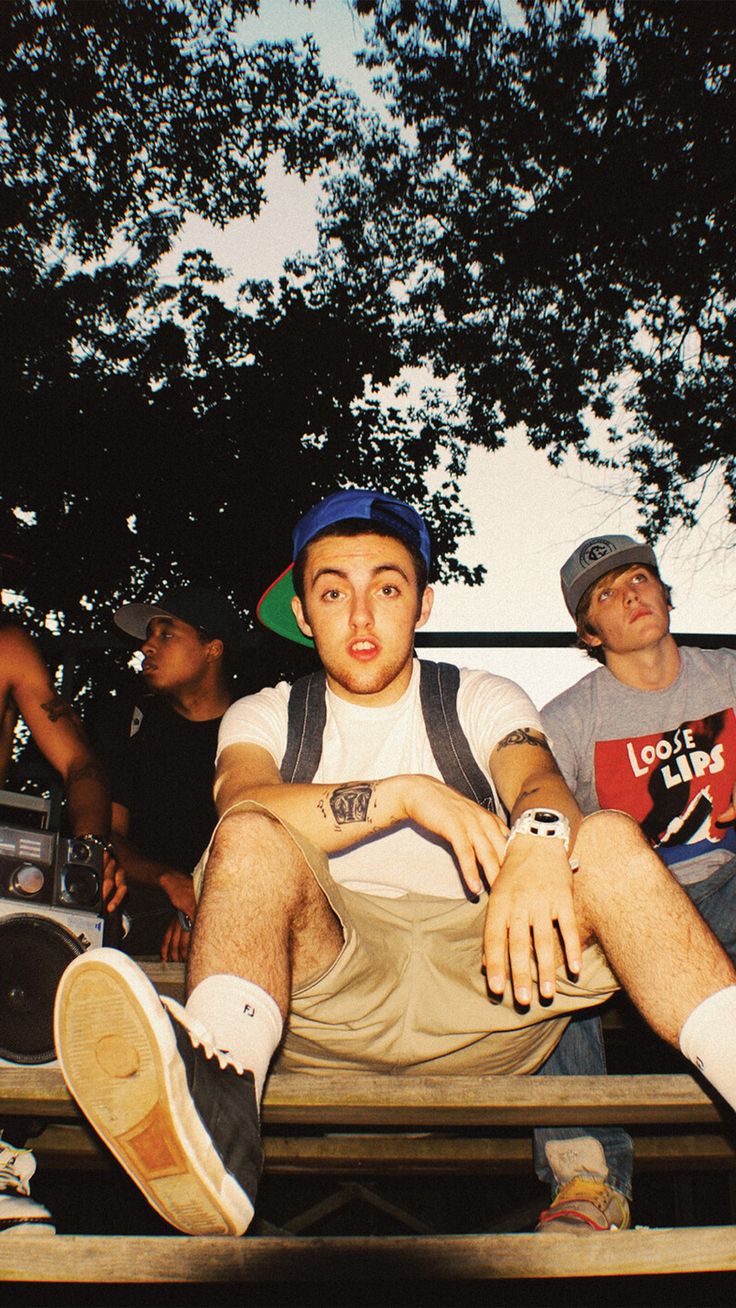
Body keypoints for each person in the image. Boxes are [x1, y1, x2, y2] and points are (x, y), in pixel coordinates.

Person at [54, 490, 736, 1241]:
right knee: (250, 834)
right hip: (333, 996)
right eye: (333, 591)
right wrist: (404, 797)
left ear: (422, 603)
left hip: (495, 993)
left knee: (604, 836)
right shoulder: (268, 714)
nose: (360, 616)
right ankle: (218, 1115)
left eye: (386, 587)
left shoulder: (477, 695)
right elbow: (244, 800)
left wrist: (542, 832)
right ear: (305, 616)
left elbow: (536, 778)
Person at [99, 585, 242, 961]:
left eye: (166, 634)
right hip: (143, 910)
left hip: (234, 907)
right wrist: (170, 880)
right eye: (148, 636)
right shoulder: (132, 724)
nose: (147, 646)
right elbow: (109, 835)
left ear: (212, 649)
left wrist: (204, 897)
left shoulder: (257, 727)